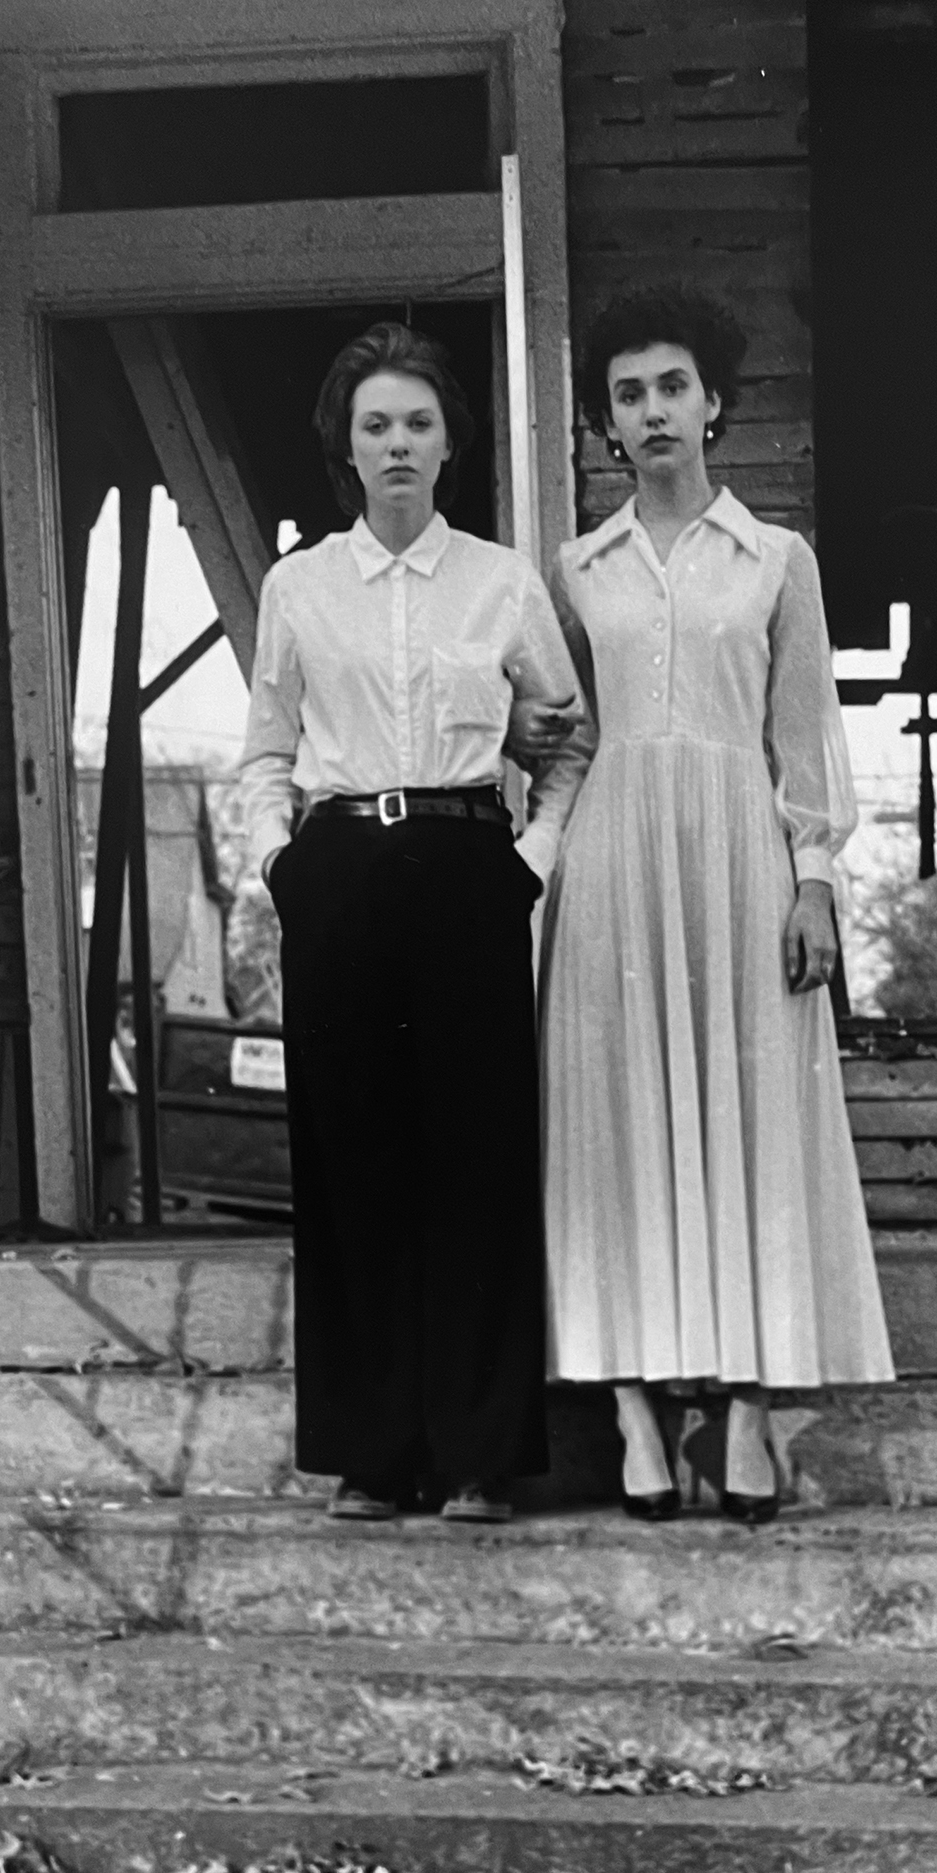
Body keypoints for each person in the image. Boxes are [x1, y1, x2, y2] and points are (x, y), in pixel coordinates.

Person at [538, 288, 894, 1524]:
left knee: (754, 1119)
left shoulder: (775, 559)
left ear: (714, 403)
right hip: (614, 870)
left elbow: (807, 742)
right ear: (604, 423)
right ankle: (637, 1406)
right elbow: (558, 741)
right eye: (626, 395)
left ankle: (742, 1407)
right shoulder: (575, 568)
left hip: (743, 856)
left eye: (670, 387)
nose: (651, 413)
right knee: (621, 1128)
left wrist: (815, 882)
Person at [239, 322, 589, 1524]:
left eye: (419, 423)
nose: (398, 444)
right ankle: (374, 1450)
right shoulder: (300, 587)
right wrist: (284, 863)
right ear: (347, 443)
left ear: (451, 444)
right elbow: (267, 752)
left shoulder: (501, 582)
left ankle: (482, 1450)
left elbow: (568, 735)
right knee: (354, 1157)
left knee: (477, 1155)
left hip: (463, 866)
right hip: (339, 871)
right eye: (377, 423)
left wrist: (529, 862)